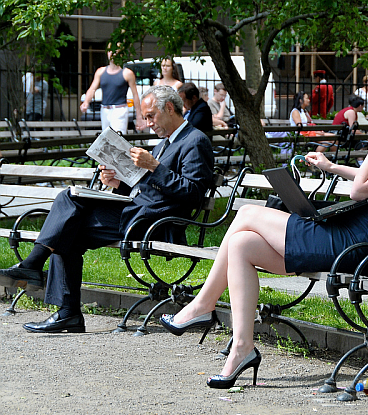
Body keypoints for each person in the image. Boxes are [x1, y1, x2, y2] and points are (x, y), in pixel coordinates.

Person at [159, 72, 368, 390]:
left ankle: (203, 305)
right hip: (348, 236)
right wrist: (332, 167)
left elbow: (360, 191)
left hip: (359, 246)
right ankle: (241, 347)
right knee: (242, 244)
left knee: (247, 213)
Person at [0, 85, 216, 333]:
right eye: (146, 118)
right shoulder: (164, 143)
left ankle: (47, 284)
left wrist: (155, 166)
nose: (147, 123)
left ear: (169, 108)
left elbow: (193, 193)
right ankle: (59, 302)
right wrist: (118, 183)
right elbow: (145, 186)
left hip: (154, 223)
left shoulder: (195, 141)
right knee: (68, 208)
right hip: (136, 213)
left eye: (150, 116)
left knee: (67, 222)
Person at [80, 45, 144, 133]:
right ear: (107, 53)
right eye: (111, 51)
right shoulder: (100, 71)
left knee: (118, 138)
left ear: (121, 54)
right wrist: (86, 102)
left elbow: (135, 95)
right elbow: (92, 88)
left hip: (119, 110)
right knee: (107, 139)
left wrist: (139, 117)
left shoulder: (127, 73)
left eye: (116, 51)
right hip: (105, 110)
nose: (113, 54)